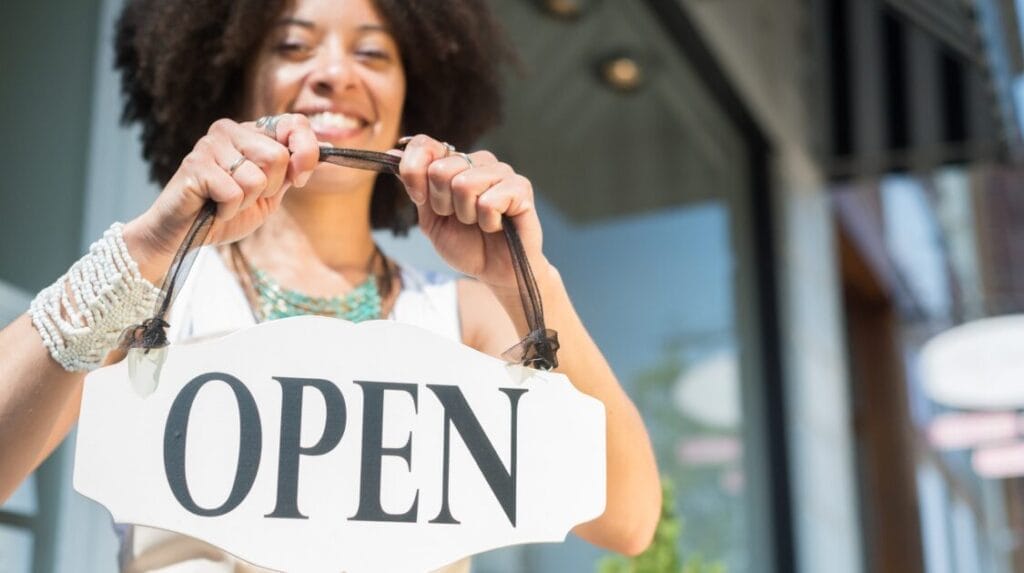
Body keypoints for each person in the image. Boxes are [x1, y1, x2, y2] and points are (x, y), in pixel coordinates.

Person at [0, 0, 661, 570]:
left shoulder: (467, 317)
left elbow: (627, 519)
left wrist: (523, 276)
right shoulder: (157, 300)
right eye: (293, 46)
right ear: (232, 77)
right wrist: (147, 246)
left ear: (415, 93)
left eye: (373, 54)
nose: (335, 75)